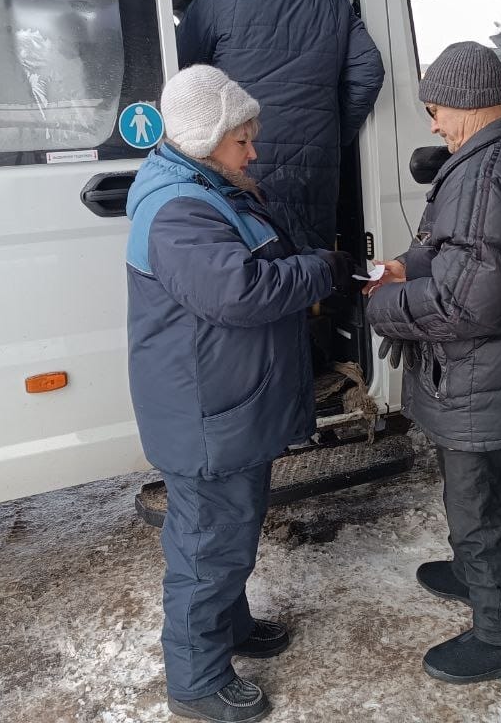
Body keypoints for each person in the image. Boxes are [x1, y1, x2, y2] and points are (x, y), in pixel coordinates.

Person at [125, 64, 359, 723]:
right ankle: (196, 681)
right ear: (206, 140)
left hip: (224, 404)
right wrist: (319, 269)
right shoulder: (179, 209)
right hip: (206, 413)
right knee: (207, 550)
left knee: (227, 534)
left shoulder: (204, 184)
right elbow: (239, 291)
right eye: (242, 140)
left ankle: (228, 627)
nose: (253, 153)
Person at [364, 41, 501, 684]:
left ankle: (500, 635)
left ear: (465, 104)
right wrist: (406, 266)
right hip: (494, 372)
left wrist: (382, 305)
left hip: (482, 374)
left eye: (435, 111)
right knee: (482, 490)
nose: (433, 126)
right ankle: (474, 574)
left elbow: (464, 302)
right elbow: (461, 250)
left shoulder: (483, 173)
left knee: (484, 503)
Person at [177, 0, 385, 251]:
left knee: (247, 259)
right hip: (312, 161)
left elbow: (184, 70)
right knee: (307, 263)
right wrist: (334, 132)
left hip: (236, 153)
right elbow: (368, 71)